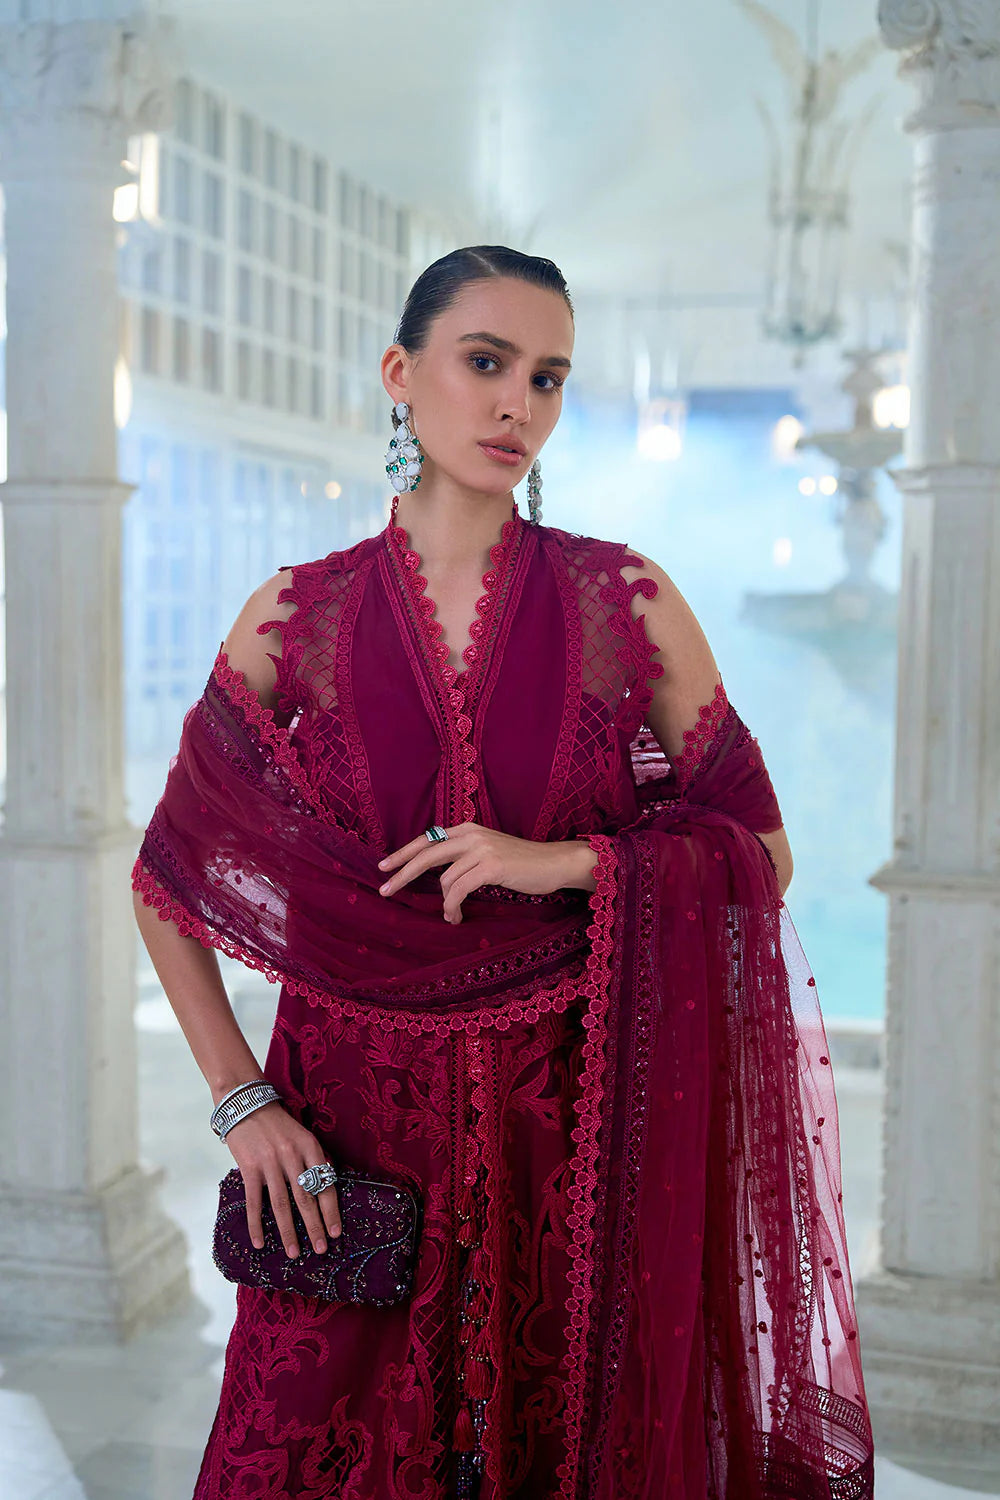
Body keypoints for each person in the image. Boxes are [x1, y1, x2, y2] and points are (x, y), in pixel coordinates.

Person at [133, 245, 875, 1500]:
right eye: (485, 362)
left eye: (546, 377)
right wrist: (241, 1100)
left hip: (574, 1124)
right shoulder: (295, 617)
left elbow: (761, 851)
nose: (516, 403)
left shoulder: (625, 602)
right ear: (399, 374)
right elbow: (169, 878)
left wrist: (566, 860)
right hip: (348, 1133)